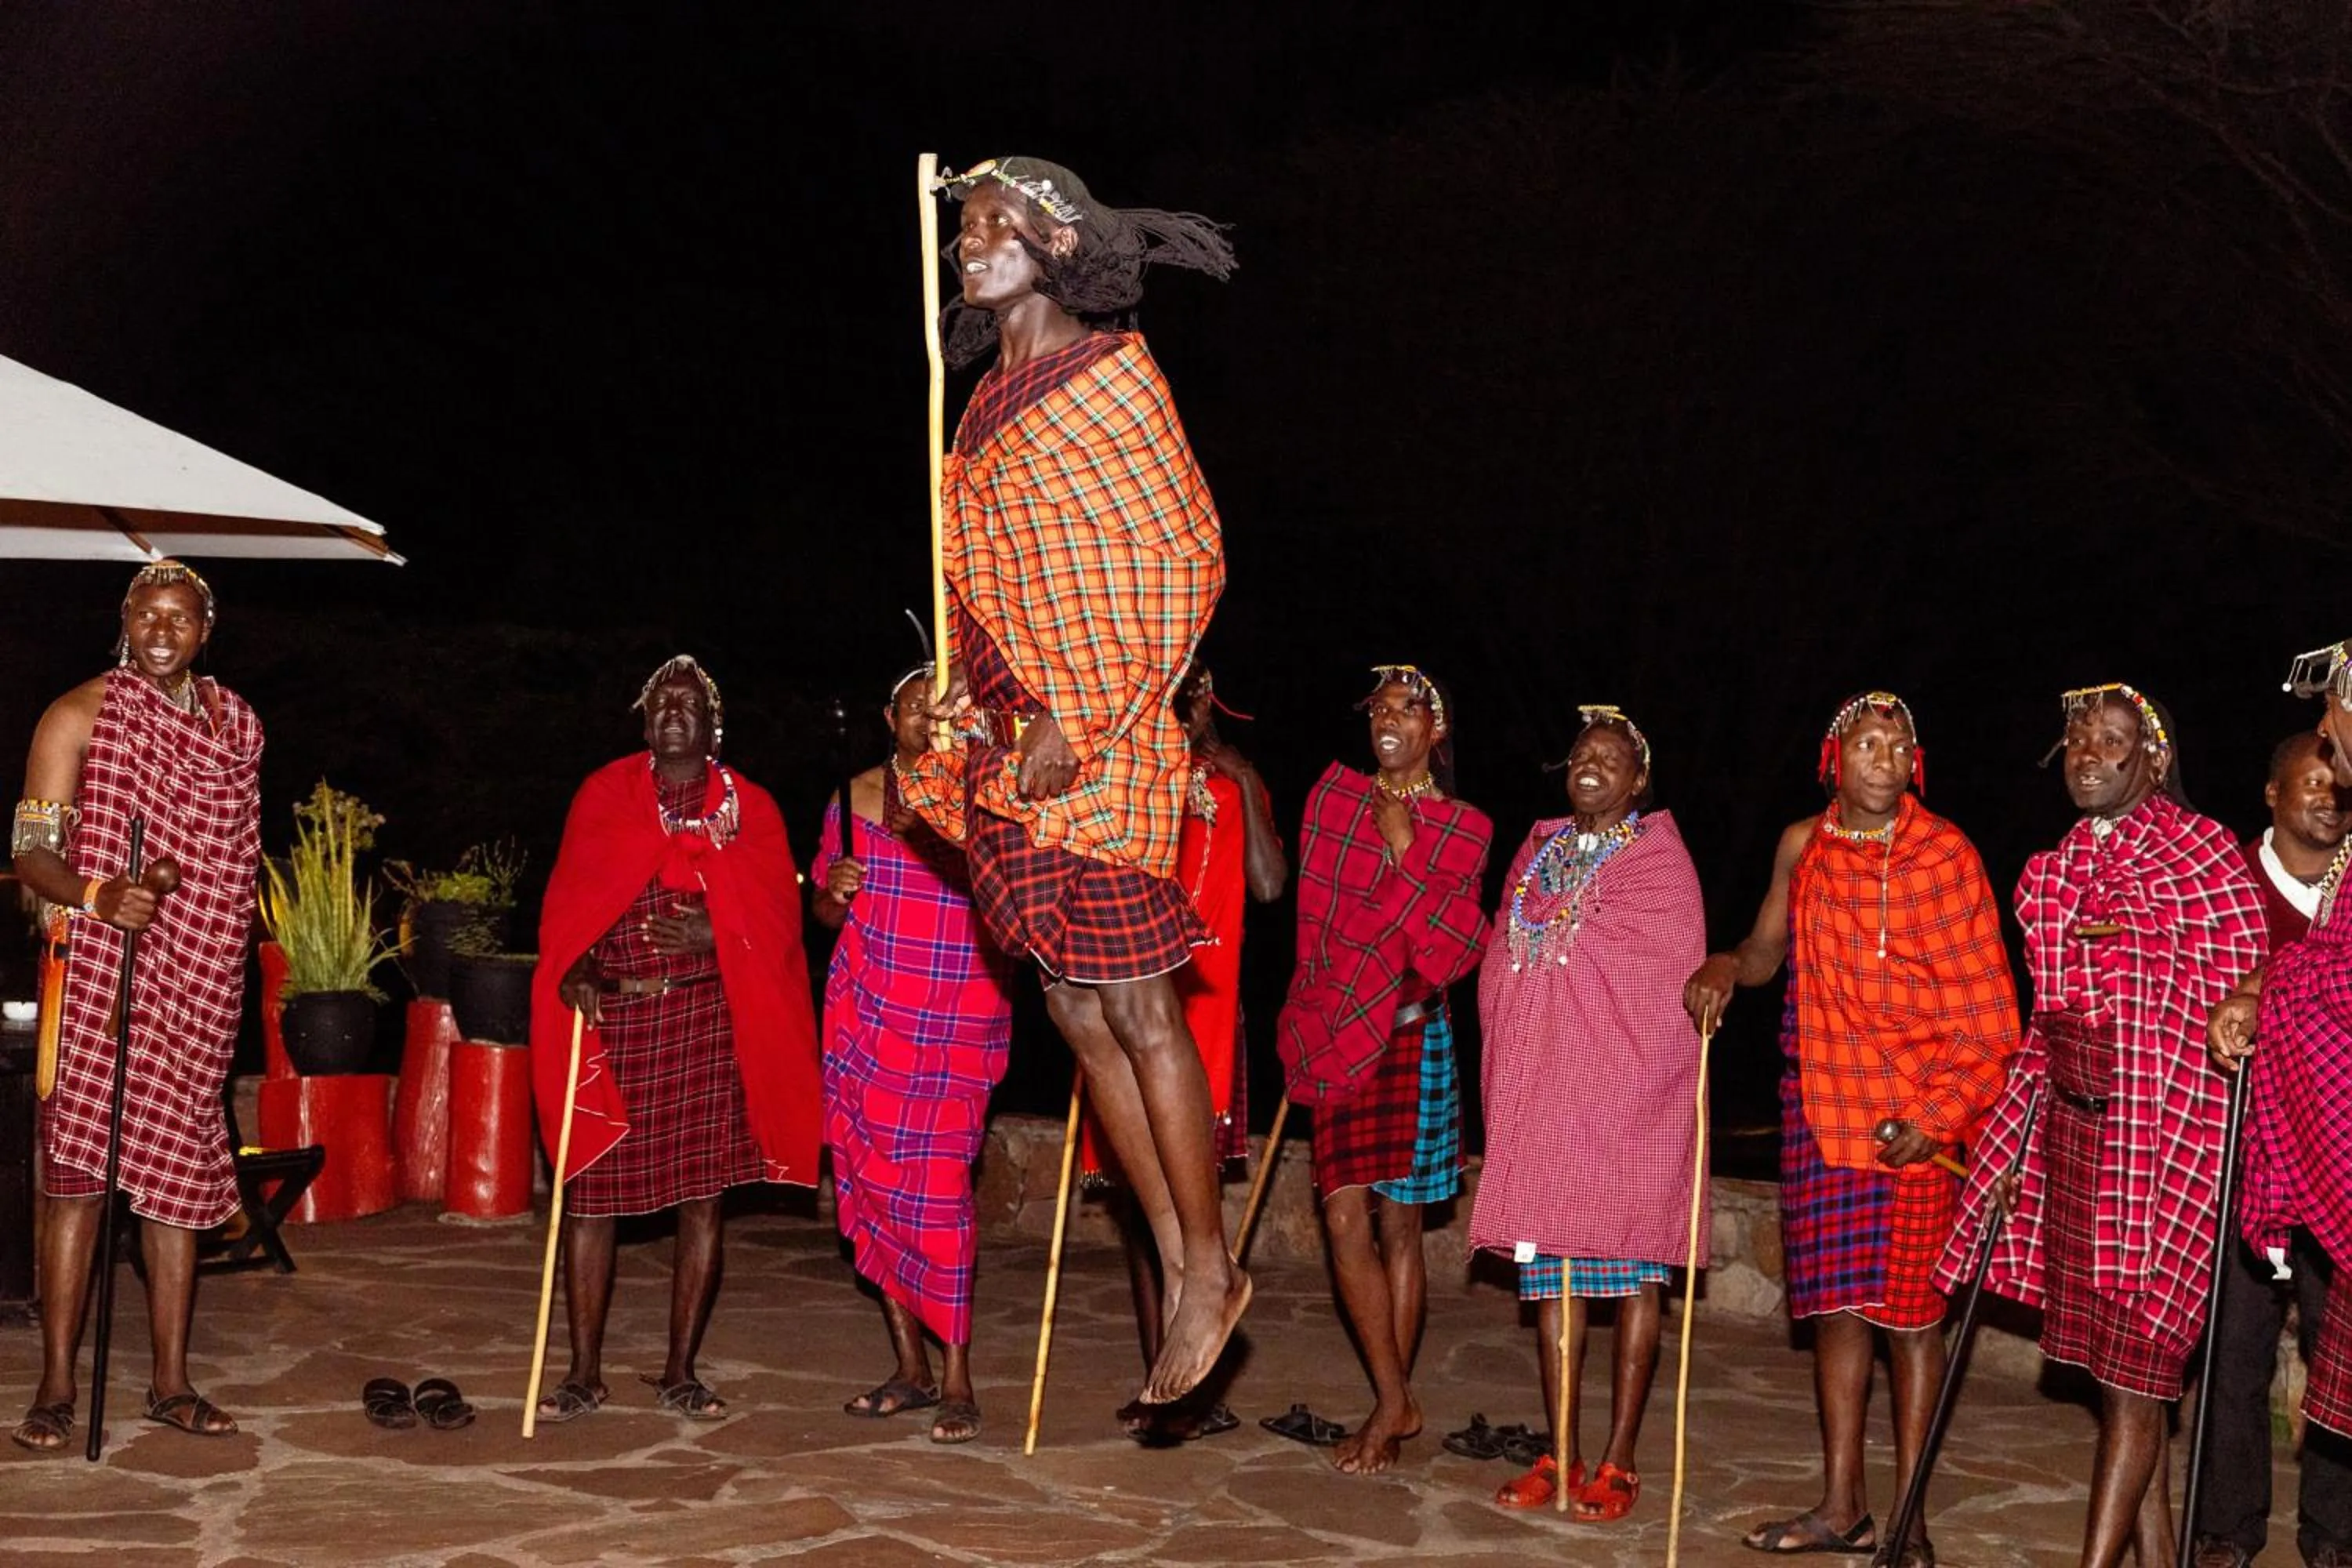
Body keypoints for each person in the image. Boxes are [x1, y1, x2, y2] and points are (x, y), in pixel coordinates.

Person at [898, 155, 1247, 1406]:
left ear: (1056, 244)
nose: (974, 239)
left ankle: (1208, 1269)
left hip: (1109, 736)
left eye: (1001, 222)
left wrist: (1086, 713)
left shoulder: (1114, 382)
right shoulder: (979, 399)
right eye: (964, 225)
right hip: (1015, 746)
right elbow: (980, 588)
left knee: (1141, 1007)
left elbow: (1187, 560)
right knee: (1073, 1011)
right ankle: (1173, 1247)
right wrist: (974, 697)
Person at [1683, 692, 2018, 1565]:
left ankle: (1908, 1519)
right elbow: (1765, 949)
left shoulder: (1947, 854)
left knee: (1912, 1320)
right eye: (1866, 742)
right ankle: (1844, 1505)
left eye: (1898, 744)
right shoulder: (1805, 844)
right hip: (1824, 1105)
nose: (1884, 757)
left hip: (1918, 1117)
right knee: (1834, 1310)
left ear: (1916, 761)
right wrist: (1726, 964)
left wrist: (1939, 1113)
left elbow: (1990, 1015)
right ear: (1835, 758)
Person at [1941, 683, 2264, 1568]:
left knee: (2136, 1378)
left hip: (2169, 1145)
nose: (2087, 753)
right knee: (2131, 1384)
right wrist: (2007, 1149)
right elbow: (2043, 1029)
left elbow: (2240, 988)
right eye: (2077, 738)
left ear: (2152, 760)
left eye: (2111, 740)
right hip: (2079, 1139)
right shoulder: (2054, 869)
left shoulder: (2206, 857)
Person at [530, 656, 821, 1425]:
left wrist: (718, 929)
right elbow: (569, 908)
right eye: (663, 701)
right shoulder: (605, 795)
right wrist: (580, 968)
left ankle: (680, 1369)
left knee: (701, 1201)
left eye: (690, 703)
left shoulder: (748, 806)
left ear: (713, 723)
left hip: (703, 1019)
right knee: (592, 1198)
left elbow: (779, 925)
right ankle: (584, 1370)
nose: (675, 712)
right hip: (618, 1020)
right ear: (645, 718)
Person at [10, 561, 262, 1451]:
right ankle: (53, 1388)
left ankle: (170, 1382)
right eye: (148, 613)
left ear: (206, 627)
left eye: (181, 616)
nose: (164, 629)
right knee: (77, 1183)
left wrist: (205, 946)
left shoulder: (236, 728)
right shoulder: (76, 714)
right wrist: (96, 891)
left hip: (195, 979)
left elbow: (234, 866)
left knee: (178, 1183)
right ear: (124, 619)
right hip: (97, 977)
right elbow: (29, 852)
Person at [1471, 706, 1707, 1519]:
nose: (1592, 764)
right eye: (1581, 754)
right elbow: (1505, 954)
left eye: (1612, 757)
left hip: (1626, 1100)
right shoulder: (1536, 852)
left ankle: (1619, 1458)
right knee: (1553, 1279)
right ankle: (1561, 1450)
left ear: (1639, 780)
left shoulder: (1659, 863)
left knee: (1637, 1271)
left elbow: (1666, 967)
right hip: (1544, 1099)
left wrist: (1622, 1066)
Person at [1273, 666, 1493, 1475]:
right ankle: (1396, 1395)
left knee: (1399, 1223)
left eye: (1410, 708)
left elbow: (1449, 950)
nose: (1390, 719)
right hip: (1335, 1032)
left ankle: (1386, 1406)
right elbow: (1315, 927)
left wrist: (1407, 847)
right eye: (1380, 708)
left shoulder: (1466, 826)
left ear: (1438, 729)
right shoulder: (1331, 803)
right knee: (1341, 1218)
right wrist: (1302, 1018)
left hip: (1409, 1030)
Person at [812, 662, 1016, 1446]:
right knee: (872, 1185)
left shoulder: (980, 797)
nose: (927, 718)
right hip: (867, 1012)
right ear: (888, 715)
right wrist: (835, 886)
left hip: (959, 1014)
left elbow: (1014, 897)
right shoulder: (851, 796)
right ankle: (910, 1365)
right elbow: (825, 914)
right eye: (913, 705)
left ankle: (959, 1374)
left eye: (941, 708)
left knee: (940, 1195)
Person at [1087, 664, 1287, 1443]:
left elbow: (1269, 885)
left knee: (1189, 1181)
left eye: (1190, 694)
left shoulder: (1233, 780)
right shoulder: (1127, 766)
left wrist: (1244, 779)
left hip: (1203, 997)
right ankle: (1163, 1365)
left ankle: (1195, 1370)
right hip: (1127, 979)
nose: (1182, 706)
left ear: (1207, 700)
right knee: (1138, 1196)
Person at [2193, 728, 2352, 1568]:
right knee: (2235, 1347)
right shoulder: (2230, 883)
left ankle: (2334, 1530)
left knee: (2339, 1348)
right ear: (2271, 794)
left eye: (2338, 784)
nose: (2327, 796)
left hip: (2333, 1148)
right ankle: (2228, 1525)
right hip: (2246, 1144)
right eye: (2310, 782)